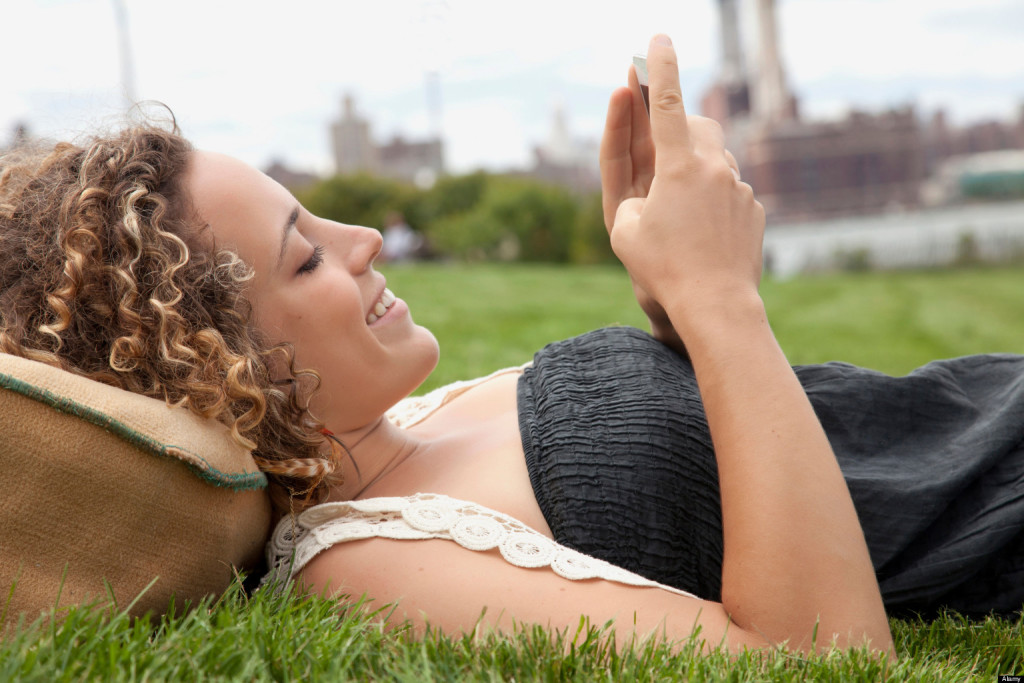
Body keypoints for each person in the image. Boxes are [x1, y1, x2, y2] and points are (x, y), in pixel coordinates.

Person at [2, 35, 1019, 655]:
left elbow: (758, 454)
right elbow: (823, 654)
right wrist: (719, 302)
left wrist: (669, 300)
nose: (364, 244)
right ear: (215, 365)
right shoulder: (359, 561)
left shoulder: (411, 422)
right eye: (304, 258)